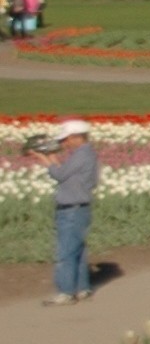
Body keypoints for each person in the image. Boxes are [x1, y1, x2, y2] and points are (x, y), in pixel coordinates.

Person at [34, 120, 96, 305]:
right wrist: (52, 157)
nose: (64, 144)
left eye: (66, 139)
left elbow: (59, 175)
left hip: (71, 209)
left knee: (66, 252)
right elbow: (66, 173)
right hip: (81, 207)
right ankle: (82, 288)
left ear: (77, 137)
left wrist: (43, 159)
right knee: (78, 250)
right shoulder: (87, 154)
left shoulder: (81, 155)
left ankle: (66, 292)